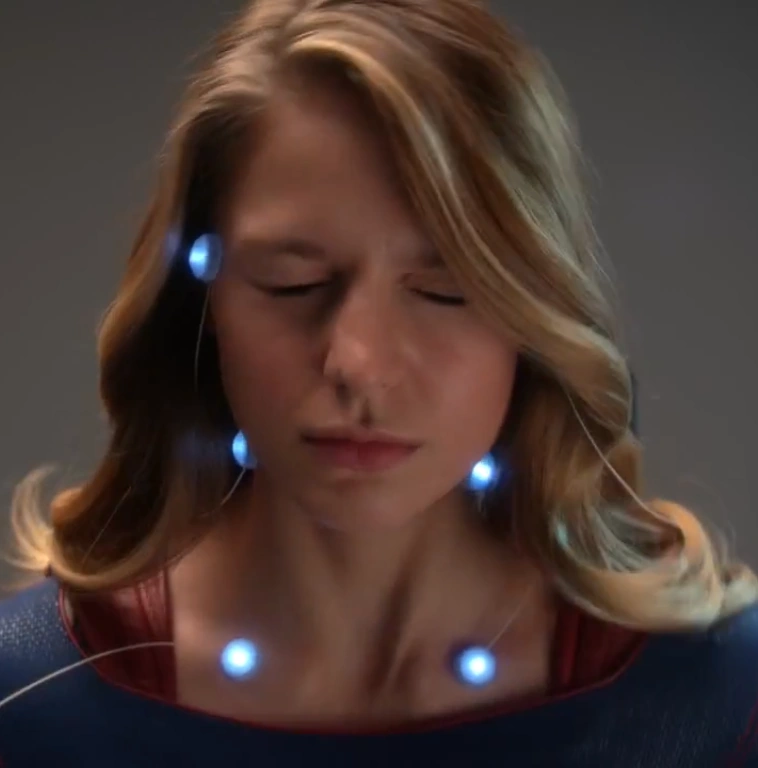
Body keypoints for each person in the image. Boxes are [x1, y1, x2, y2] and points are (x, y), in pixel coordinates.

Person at [1, 0, 756, 765]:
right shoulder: (28, 700)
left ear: (536, 310)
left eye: (444, 290)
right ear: (200, 294)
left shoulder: (720, 704)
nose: (358, 362)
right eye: (292, 282)